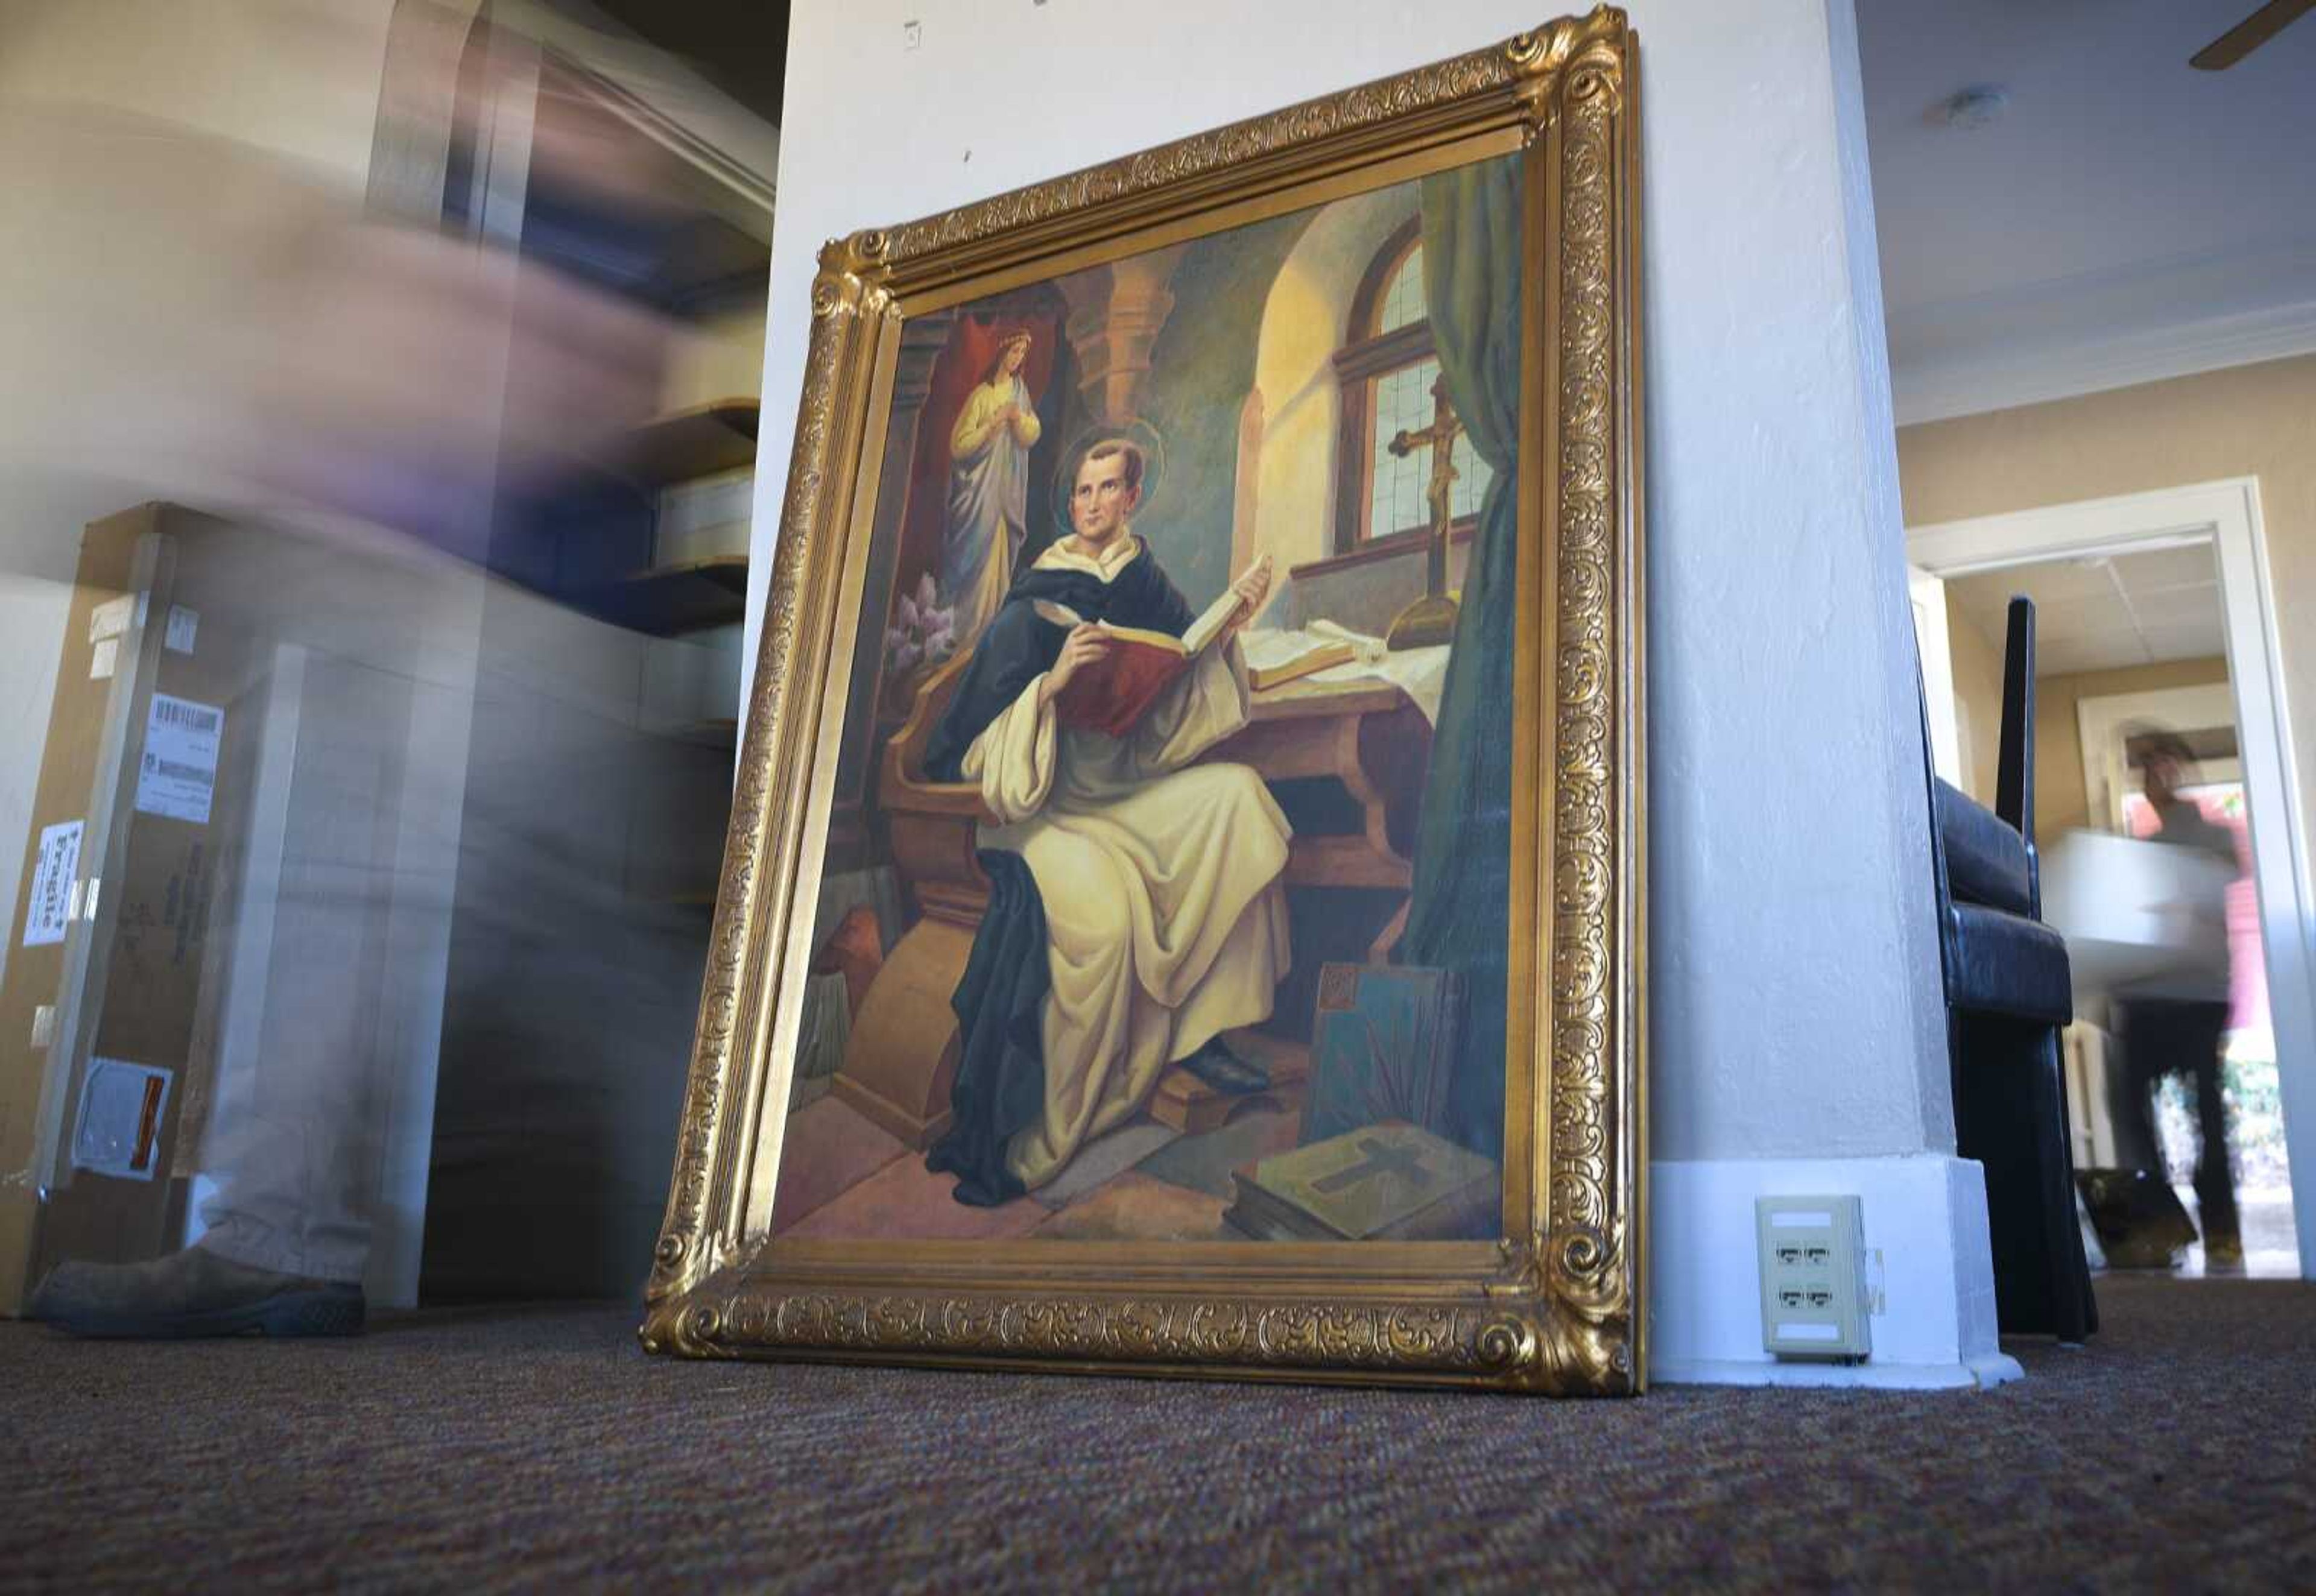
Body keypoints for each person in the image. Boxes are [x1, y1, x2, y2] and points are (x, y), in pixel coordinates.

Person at [919, 441, 1289, 1204]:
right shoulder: (1034, 602)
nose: (1092, 502)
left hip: (1122, 792)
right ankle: (1052, 1133)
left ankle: (1205, 1034)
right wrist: (1050, 688)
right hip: (1037, 807)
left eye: (1108, 487)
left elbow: (1170, 723)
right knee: (1108, 917)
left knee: (1241, 800)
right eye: (1082, 489)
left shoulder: (1148, 589)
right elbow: (970, 753)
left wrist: (1219, 638)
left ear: (1132, 495)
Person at [2107, 733, 2244, 1266]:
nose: (2152, 776)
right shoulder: (2137, 849)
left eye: (2161, 764)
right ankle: (2159, 1228)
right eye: (2144, 768)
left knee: (2207, 1113)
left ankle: (2222, 1230)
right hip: (2145, 999)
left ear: (2181, 770)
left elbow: (2208, 900)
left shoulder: (2213, 835)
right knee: (2130, 1108)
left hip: (2199, 999)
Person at [940, 330, 1043, 646]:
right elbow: (958, 446)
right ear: (1002, 353)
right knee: (974, 558)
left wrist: (1016, 419)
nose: (1018, 360)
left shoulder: (1019, 391)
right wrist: (991, 427)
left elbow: (1032, 434)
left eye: (1022, 355)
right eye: (1014, 353)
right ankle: (964, 635)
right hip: (978, 494)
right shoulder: (981, 396)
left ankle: (985, 634)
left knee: (997, 557)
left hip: (1005, 493)